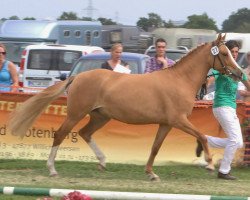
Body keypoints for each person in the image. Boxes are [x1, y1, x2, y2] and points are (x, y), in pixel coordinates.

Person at [196, 40, 250, 180]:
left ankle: (204, 140)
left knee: (237, 142)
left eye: (237, 52)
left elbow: (248, 85)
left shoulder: (238, 70)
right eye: (232, 52)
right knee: (234, 140)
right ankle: (224, 171)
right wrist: (205, 84)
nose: (234, 54)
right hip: (221, 106)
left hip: (231, 108)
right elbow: (210, 78)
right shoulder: (221, 67)